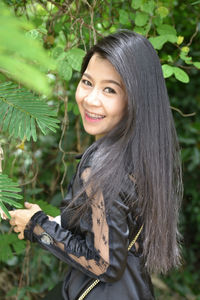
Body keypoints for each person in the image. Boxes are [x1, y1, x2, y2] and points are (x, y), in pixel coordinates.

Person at [8, 30, 183, 300]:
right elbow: (114, 234)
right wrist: (56, 222)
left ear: (135, 99)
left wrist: (37, 226)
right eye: (87, 82)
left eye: (109, 89)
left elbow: (105, 264)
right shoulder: (140, 155)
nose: (91, 99)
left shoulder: (101, 166)